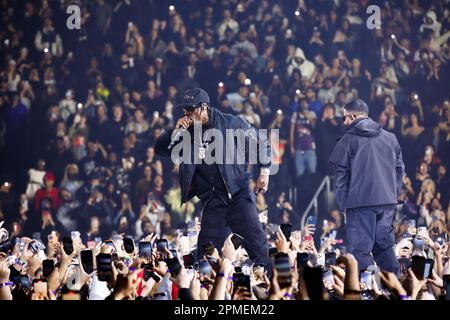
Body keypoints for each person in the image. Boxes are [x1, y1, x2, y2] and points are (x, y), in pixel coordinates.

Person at [154, 88, 272, 269]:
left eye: (190, 109)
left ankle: (272, 291)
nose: (187, 114)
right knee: (205, 257)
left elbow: (261, 142)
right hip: (213, 200)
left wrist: (264, 172)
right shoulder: (187, 132)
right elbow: (160, 149)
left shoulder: (231, 123)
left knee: (258, 249)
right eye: (184, 110)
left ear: (203, 107)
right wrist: (174, 132)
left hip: (238, 197)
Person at [329, 99, 405, 274]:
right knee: (385, 248)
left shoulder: (347, 140)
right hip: (387, 202)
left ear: (353, 116)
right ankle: (393, 290)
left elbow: (340, 178)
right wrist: (392, 194)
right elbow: (400, 169)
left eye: (345, 118)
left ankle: (369, 290)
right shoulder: (390, 138)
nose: (344, 122)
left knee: (360, 251)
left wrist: (343, 205)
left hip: (359, 204)